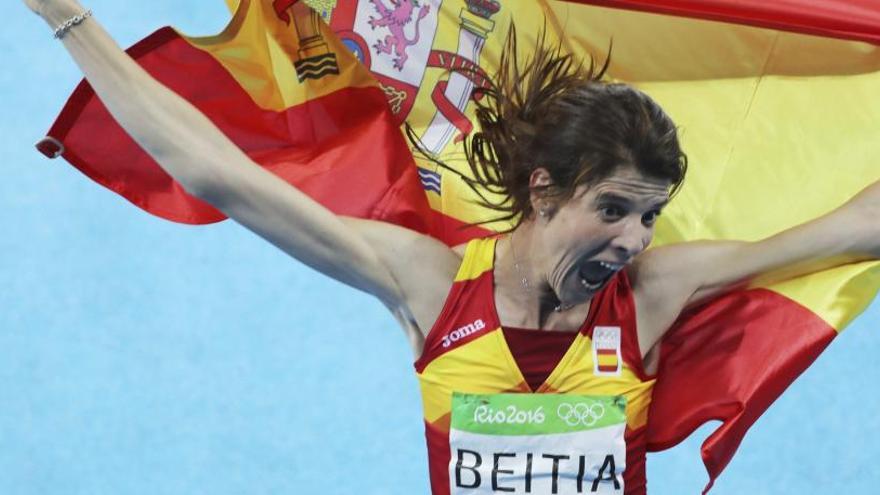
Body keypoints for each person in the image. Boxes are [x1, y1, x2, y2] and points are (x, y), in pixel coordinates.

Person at [21, 0, 880, 493]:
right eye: (615, 209)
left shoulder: (653, 293)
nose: (634, 240)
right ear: (544, 188)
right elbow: (218, 173)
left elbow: (853, 225)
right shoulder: (432, 287)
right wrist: (68, 20)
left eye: (650, 217)